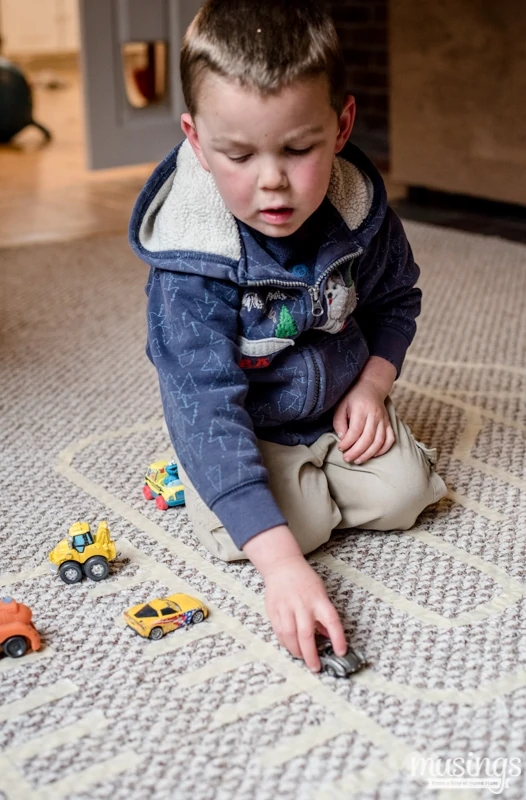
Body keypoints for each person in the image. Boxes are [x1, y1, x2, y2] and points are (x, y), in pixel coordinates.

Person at [129, 0, 447, 672]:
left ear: (341, 126)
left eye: (297, 149)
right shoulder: (191, 262)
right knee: (280, 533)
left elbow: (397, 299)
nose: (271, 181)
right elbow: (205, 404)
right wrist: (280, 568)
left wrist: (373, 383)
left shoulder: (358, 211)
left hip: (335, 404)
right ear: (195, 139)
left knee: (410, 495)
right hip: (247, 423)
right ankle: (239, 486)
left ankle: (311, 478)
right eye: (237, 155)